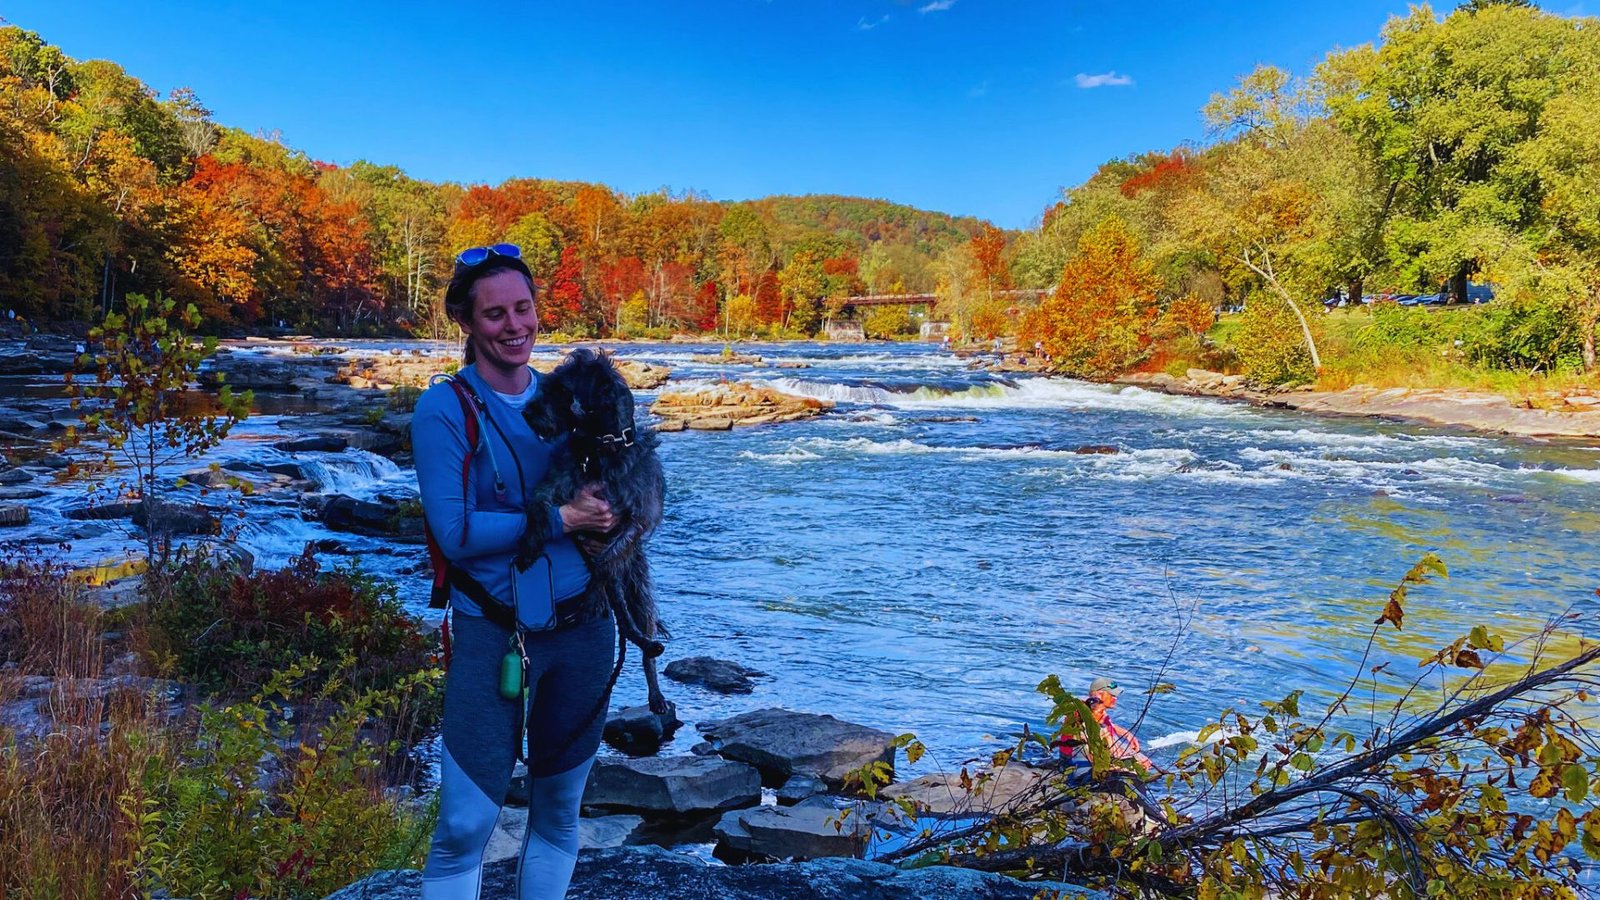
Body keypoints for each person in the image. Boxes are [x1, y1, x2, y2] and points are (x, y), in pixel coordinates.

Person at [414, 243, 620, 900]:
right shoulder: (444, 408)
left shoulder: (572, 400)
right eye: (495, 314)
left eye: (523, 309)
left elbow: (622, 488)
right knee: (464, 824)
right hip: (492, 633)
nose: (514, 326)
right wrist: (564, 519)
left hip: (585, 629)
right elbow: (456, 533)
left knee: (559, 814)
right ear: (467, 323)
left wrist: (616, 510)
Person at [1057, 677, 1154, 772]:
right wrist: (1133, 764)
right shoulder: (1083, 716)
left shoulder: (1096, 709)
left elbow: (1108, 725)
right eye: (1112, 695)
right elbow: (1095, 755)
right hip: (1076, 763)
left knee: (1137, 757)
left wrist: (1127, 734)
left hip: (1089, 756)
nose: (1115, 698)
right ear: (1099, 695)